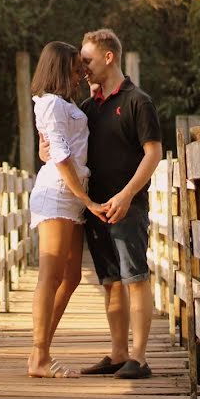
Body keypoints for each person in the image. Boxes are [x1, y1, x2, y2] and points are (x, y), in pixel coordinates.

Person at [39, 29, 162, 379]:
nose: (83, 69)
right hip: (95, 209)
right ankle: (119, 353)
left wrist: (126, 196)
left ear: (109, 58)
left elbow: (153, 154)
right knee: (110, 281)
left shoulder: (139, 101)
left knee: (135, 277)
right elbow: (64, 147)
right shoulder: (87, 109)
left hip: (128, 205)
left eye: (87, 61)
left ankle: (139, 357)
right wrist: (44, 151)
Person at [27, 41, 108, 378]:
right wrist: (87, 200)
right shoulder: (50, 104)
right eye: (76, 67)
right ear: (61, 68)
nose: (80, 73)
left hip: (71, 195)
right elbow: (59, 155)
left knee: (72, 276)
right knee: (51, 275)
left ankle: (40, 351)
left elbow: (60, 147)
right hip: (59, 194)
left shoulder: (63, 103)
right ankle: (39, 356)